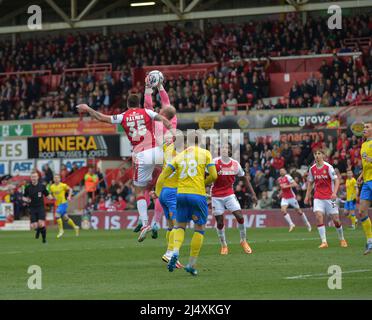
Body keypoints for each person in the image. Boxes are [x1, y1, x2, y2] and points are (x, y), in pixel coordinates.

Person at [77, 93, 174, 242]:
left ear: (128, 104)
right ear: (138, 103)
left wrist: (88, 108)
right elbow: (163, 119)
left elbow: (102, 118)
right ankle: (172, 208)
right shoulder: (147, 112)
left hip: (141, 154)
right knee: (167, 176)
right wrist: (172, 132)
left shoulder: (123, 116)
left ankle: (145, 223)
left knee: (139, 190)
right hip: (157, 152)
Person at [155, 132, 218, 276]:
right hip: (197, 194)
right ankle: (191, 264)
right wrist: (203, 183)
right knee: (199, 228)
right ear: (199, 140)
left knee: (179, 226)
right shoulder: (205, 153)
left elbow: (163, 175)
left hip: (180, 194)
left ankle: (174, 252)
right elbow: (214, 176)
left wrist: (158, 193)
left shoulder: (179, 155)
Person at [211, 143, 257, 255]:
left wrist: (253, 194)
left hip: (229, 194)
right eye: (222, 147)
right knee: (220, 222)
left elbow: (244, 179)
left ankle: (243, 241)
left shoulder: (235, 164)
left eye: (226, 148)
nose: (224, 149)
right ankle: (224, 245)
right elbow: (204, 176)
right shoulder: (214, 162)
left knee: (240, 216)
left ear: (230, 151)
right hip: (216, 196)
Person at [152, 132, 184, 268]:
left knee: (171, 226)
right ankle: (170, 253)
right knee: (178, 225)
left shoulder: (167, 148)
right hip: (173, 192)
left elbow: (162, 144)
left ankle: (171, 254)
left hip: (164, 191)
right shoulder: (181, 155)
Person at [305, 149, 348, 249]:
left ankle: (342, 239)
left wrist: (334, 193)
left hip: (330, 198)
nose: (317, 155)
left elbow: (337, 180)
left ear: (323, 155)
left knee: (336, 220)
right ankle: (324, 242)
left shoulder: (328, 167)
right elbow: (310, 183)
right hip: (318, 197)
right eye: (315, 153)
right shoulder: (312, 169)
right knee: (319, 216)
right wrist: (307, 195)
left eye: (319, 153)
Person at [278, 168, 311, 232]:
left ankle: (307, 224)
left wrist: (287, 186)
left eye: (283, 170)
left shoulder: (288, 177)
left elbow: (295, 184)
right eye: (281, 171)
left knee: (299, 212)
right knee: (283, 210)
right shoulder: (279, 179)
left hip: (291, 197)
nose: (282, 172)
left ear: (285, 171)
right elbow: (282, 188)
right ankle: (291, 224)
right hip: (284, 198)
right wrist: (280, 194)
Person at [357, 121, 372, 255]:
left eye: (367, 127)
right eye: (364, 127)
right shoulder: (363, 145)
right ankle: (370, 241)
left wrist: (370, 159)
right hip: (367, 181)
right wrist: (361, 175)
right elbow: (366, 163)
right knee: (361, 212)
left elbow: (369, 160)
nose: (364, 129)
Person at [49, 174, 80, 238]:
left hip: (63, 203)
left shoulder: (63, 185)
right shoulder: (52, 187)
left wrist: (69, 196)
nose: (56, 179)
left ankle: (61, 230)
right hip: (58, 204)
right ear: (53, 179)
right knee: (66, 218)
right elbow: (51, 194)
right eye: (55, 178)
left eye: (57, 178)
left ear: (60, 179)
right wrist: (52, 197)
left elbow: (70, 189)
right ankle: (75, 227)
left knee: (57, 215)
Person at [22, 171, 49, 243]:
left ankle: (44, 239)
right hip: (32, 208)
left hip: (40, 207)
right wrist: (26, 200)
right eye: (32, 177)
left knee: (41, 223)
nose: (33, 178)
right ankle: (38, 230)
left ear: (38, 177)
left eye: (35, 176)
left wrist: (52, 197)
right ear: (30, 178)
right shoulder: (27, 187)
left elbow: (47, 195)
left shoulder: (42, 186)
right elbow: (23, 197)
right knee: (34, 226)